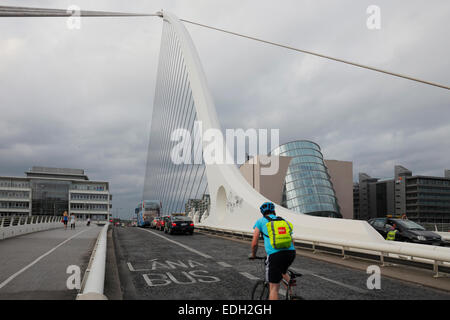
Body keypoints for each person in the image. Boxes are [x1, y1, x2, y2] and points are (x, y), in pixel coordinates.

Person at [250, 202, 296, 300]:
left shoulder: (261, 221)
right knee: (283, 270)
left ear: (262, 213)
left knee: (274, 288)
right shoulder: (283, 221)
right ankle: (291, 295)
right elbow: (292, 240)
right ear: (274, 211)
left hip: (275, 255)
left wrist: (253, 254)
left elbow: (254, 243)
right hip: (291, 253)